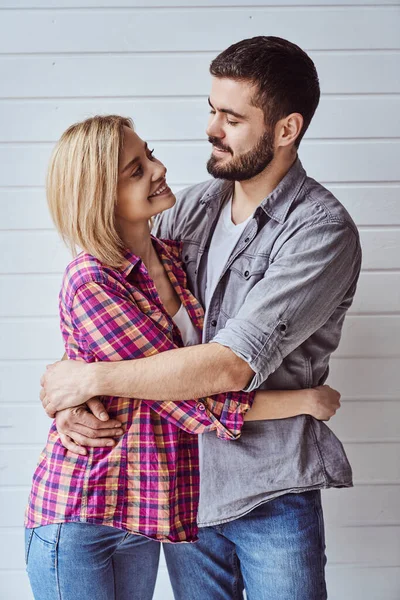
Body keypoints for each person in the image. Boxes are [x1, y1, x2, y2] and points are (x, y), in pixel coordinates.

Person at [40, 36, 361, 600]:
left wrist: (90, 380)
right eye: (212, 109)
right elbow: (114, 313)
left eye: (232, 117)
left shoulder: (319, 231)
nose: (212, 128)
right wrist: (71, 392)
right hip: (187, 494)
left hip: (270, 492)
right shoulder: (190, 210)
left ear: (285, 129)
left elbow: (230, 365)